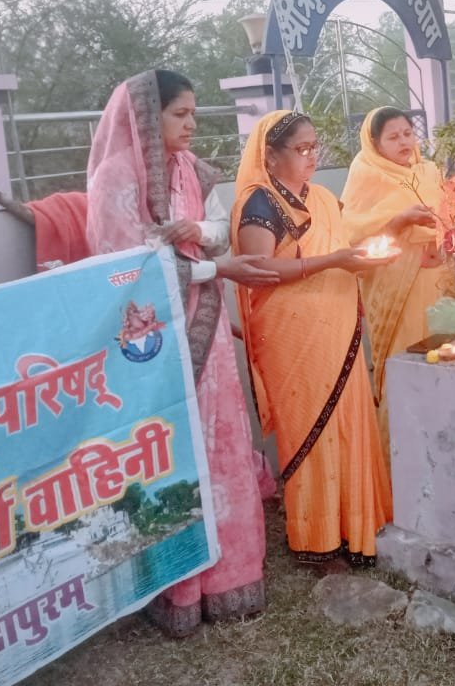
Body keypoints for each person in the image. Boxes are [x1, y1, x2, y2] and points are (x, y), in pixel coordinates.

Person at [85, 69, 278, 637]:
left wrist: (199, 227)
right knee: (173, 447)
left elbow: (221, 226)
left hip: (208, 329)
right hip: (153, 338)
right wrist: (219, 267)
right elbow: (125, 271)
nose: (192, 124)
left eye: (194, 113)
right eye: (180, 114)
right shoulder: (116, 179)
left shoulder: (191, 169)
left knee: (220, 437)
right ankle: (177, 586)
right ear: (147, 117)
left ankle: (231, 575)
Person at [231, 110, 394, 570]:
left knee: (348, 423)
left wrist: (366, 254)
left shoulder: (321, 198)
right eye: (301, 149)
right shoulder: (259, 204)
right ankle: (316, 537)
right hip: (293, 336)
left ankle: (355, 524)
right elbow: (258, 270)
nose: (311, 157)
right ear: (270, 154)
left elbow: (346, 245)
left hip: (337, 327)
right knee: (314, 432)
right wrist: (335, 261)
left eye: (314, 147)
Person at [340, 107, 448, 446]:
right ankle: (401, 465)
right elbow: (355, 241)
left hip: (439, 284)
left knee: (446, 362)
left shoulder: (429, 171)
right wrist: (400, 222)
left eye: (407, 133)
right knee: (407, 370)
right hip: (397, 291)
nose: (404, 141)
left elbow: (449, 216)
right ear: (375, 144)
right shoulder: (365, 176)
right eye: (393, 136)